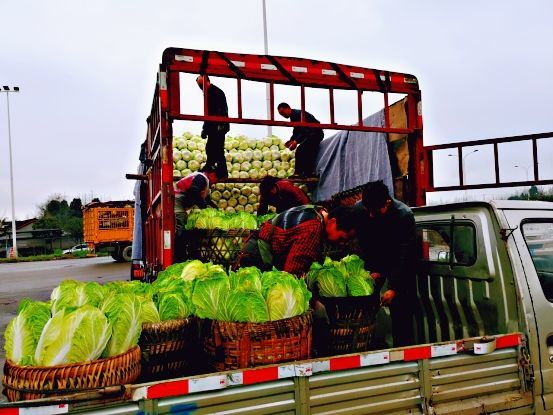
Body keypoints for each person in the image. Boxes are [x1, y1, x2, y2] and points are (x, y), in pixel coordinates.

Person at [352, 180, 418, 347]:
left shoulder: (404, 215)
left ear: (387, 202)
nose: (372, 215)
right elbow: (363, 244)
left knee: (401, 310)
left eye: (376, 211)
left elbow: (405, 255)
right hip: (374, 263)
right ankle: (370, 345)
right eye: (369, 211)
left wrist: (394, 287)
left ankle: (403, 351)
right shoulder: (360, 210)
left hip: (398, 264)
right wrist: (372, 270)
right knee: (366, 306)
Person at [236, 205, 356, 277]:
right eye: (341, 238)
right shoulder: (313, 229)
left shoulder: (318, 211)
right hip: (256, 255)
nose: (342, 244)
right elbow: (292, 272)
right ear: (333, 222)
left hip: (257, 245)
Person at [277, 102, 324, 177]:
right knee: (305, 151)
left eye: (283, 113)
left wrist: (295, 141)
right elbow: (296, 131)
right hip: (310, 134)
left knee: (301, 150)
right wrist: (291, 140)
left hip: (315, 134)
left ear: (288, 108)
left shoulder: (298, 114)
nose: (283, 115)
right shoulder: (293, 116)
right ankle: (307, 173)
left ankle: (299, 173)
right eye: (281, 115)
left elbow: (304, 130)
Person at [196, 75, 229, 178]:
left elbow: (221, 111)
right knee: (210, 147)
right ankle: (210, 166)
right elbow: (208, 114)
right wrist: (205, 129)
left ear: (208, 82)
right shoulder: (208, 94)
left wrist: (220, 125)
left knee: (218, 148)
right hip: (213, 126)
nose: (201, 88)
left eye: (202, 85)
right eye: (199, 86)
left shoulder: (217, 93)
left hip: (219, 126)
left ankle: (222, 171)